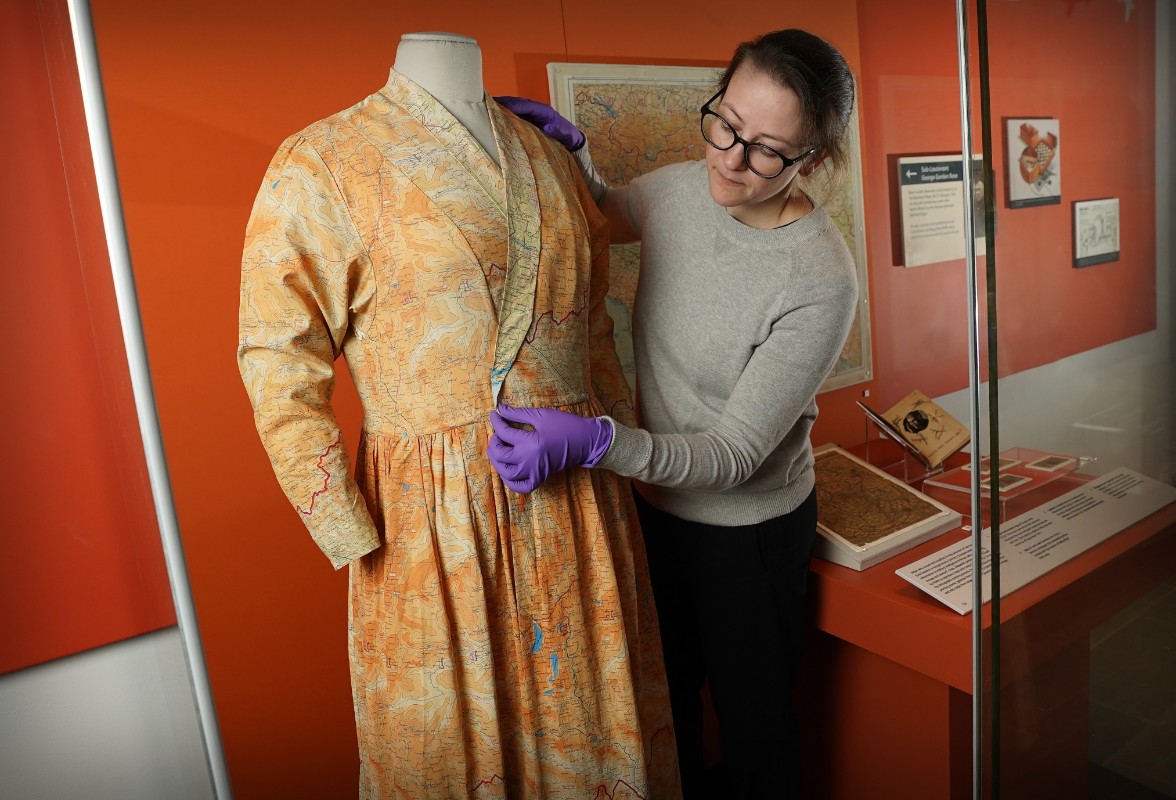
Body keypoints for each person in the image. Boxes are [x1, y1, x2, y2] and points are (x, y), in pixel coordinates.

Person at [238, 31, 680, 799]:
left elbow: (594, 325)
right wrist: (339, 518)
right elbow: (278, 352)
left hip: (579, 495)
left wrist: (612, 438)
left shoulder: (548, 159)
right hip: (431, 518)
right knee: (455, 742)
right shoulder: (324, 161)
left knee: (593, 727)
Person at [489, 28, 859, 799]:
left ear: (812, 162)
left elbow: (730, 458)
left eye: (766, 150)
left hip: (749, 533)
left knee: (757, 731)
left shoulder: (818, 278)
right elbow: (612, 213)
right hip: (656, 509)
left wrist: (594, 443)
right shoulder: (684, 186)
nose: (729, 157)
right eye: (724, 122)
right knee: (668, 711)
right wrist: (575, 158)